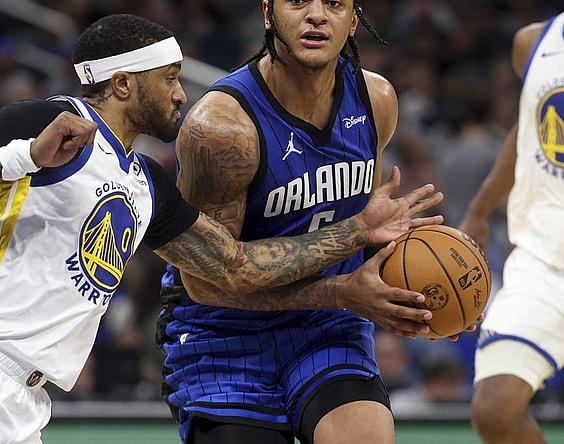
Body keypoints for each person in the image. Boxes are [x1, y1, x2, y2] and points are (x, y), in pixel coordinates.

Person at [0, 14, 443, 444]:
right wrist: (18, 157)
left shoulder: (148, 184)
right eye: (168, 79)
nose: (181, 93)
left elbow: (235, 267)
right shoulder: (48, 121)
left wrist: (355, 234)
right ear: (123, 85)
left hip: (25, 402)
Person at [155, 1, 457, 443]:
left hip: (327, 327)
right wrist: (345, 287)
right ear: (268, 15)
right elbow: (208, 282)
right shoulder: (221, 129)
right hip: (222, 334)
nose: (316, 15)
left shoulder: (376, 101)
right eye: (298, 1)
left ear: (353, 21)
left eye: (334, 4)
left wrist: (433, 295)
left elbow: (361, 223)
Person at [460, 12, 564, 444]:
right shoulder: (534, 43)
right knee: (495, 409)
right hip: (542, 261)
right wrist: (480, 210)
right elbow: (528, 129)